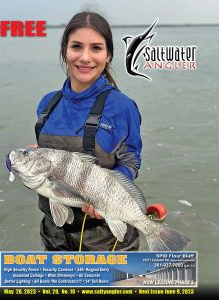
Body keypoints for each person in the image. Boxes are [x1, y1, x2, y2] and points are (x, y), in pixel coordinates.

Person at [34, 11, 143, 251]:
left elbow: (131, 161)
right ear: (65, 51)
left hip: (106, 235)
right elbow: (51, 161)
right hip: (55, 233)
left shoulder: (122, 107)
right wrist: (29, 159)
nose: (85, 57)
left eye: (96, 48)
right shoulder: (47, 104)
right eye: (76, 46)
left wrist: (105, 195)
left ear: (108, 55)